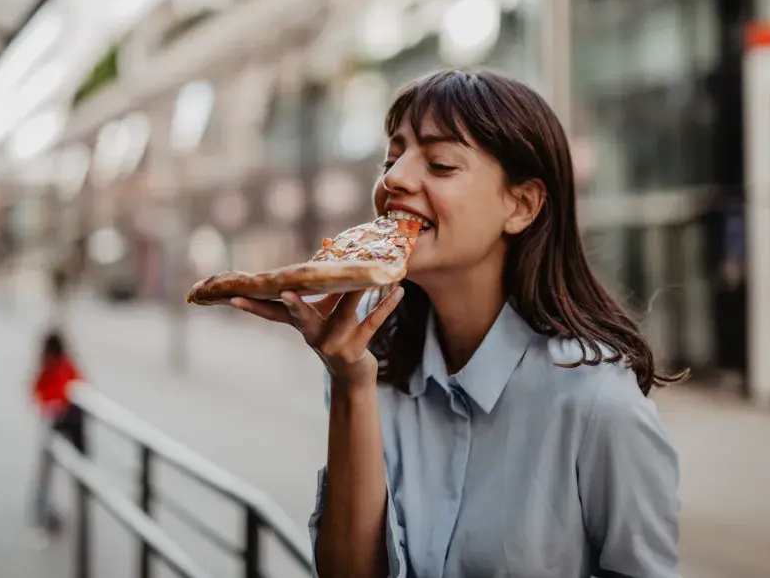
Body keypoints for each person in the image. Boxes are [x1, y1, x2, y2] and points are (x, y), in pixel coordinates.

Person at [227, 70, 686, 577]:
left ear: (522, 205)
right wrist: (350, 385)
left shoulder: (599, 402)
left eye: (440, 163)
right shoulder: (373, 364)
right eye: (392, 157)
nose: (394, 179)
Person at [30, 330, 84, 537]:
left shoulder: (52, 364)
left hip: (60, 419)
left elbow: (38, 391)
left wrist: (49, 404)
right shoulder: (63, 364)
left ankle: (46, 506)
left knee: (50, 465)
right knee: (74, 464)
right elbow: (77, 385)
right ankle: (51, 507)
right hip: (70, 419)